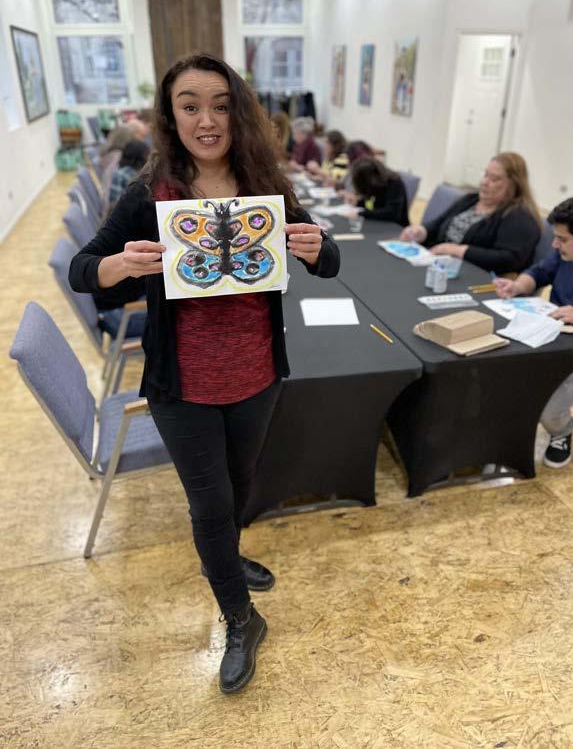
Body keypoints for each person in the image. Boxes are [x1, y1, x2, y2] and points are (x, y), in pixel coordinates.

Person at [69, 53, 340, 694]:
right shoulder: (151, 193)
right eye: (190, 106)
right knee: (210, 502)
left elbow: (326, 261)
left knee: (239, 487)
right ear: (171, 116)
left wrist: (317, 246)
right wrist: (121, 265)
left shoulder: (263, 185)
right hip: (183, 384)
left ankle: (227, 557)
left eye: (220, 105)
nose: (207, 120)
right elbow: (84, 271)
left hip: (257, 376)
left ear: (238, 112)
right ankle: (240, 619)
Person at [495, 194, 573, 468]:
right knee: (503, 369)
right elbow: (539, 272)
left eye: (563, 239)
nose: (555, 244)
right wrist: (518, 285)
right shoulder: (565, 254)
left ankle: (562, 430)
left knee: (546, 406)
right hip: (555, 340)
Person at [400, 152, 541, 275]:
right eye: (486, 175)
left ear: (514, 185)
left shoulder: (519, 217)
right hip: (439, 266)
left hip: (474, 278)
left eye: (494, 179)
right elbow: (440, 222)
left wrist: (459, 251)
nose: (485, 182)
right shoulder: (471, 200)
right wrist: (422, 231)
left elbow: (509, 259)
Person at [345, 157, 409, 225]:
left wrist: (361, 214)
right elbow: (374, 204)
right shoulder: (378, 183)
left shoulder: (395, 183)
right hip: (380, 222)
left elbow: (392, 213)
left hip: (395, 226)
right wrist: (358, 203)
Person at [108, 139, 151, 210]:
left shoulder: (120, 172)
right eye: (146, 155)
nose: (148, 158)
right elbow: (114, 203)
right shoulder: (122, 175)